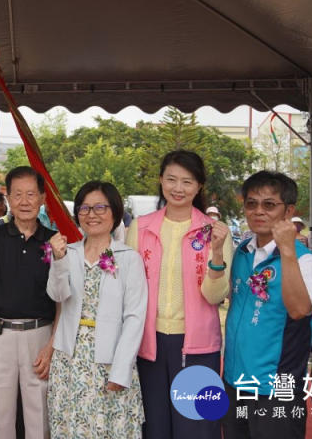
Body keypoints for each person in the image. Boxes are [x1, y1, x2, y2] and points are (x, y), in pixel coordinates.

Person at [125, 150, 233, 439]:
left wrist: (218, 253)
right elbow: (129, 289)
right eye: (171, 179)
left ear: (199, 186)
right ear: (160, 181)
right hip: (149, 345)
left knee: (197, 427)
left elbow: (214, 296)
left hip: (198, 347)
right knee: (155, 427)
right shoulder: (140, 228)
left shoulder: (215, 232)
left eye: (187, 181)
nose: (178, 188)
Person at [221, 171, 312, 439]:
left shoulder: (306, 261)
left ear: (288, 211)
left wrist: (287, 250)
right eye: (251, 204)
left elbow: (300, 310)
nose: (258, 211)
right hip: (235, 381)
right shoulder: (242, 253)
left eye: (269, 205)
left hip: (276, 389)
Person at [46, 181, 147, 438]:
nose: (92, 214)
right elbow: (57, 295)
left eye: (100, 207)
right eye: (85, 208)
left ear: (114, 211)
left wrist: (122, 369)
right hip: (69, 360)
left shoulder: (128, 258)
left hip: (110, 359)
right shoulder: (67, 252)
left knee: (108, 427)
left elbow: (134, 317)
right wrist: (58, 262)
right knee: (70, 426)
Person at [0, 165, 60, 439]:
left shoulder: (52, 241)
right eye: (17, 194)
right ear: (8, 198)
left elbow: (62, 297)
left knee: (39, 417)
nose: (24, 201)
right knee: (0, 415)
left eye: (31, 194)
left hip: (40, 336)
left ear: (42, 197)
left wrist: (52, 345)